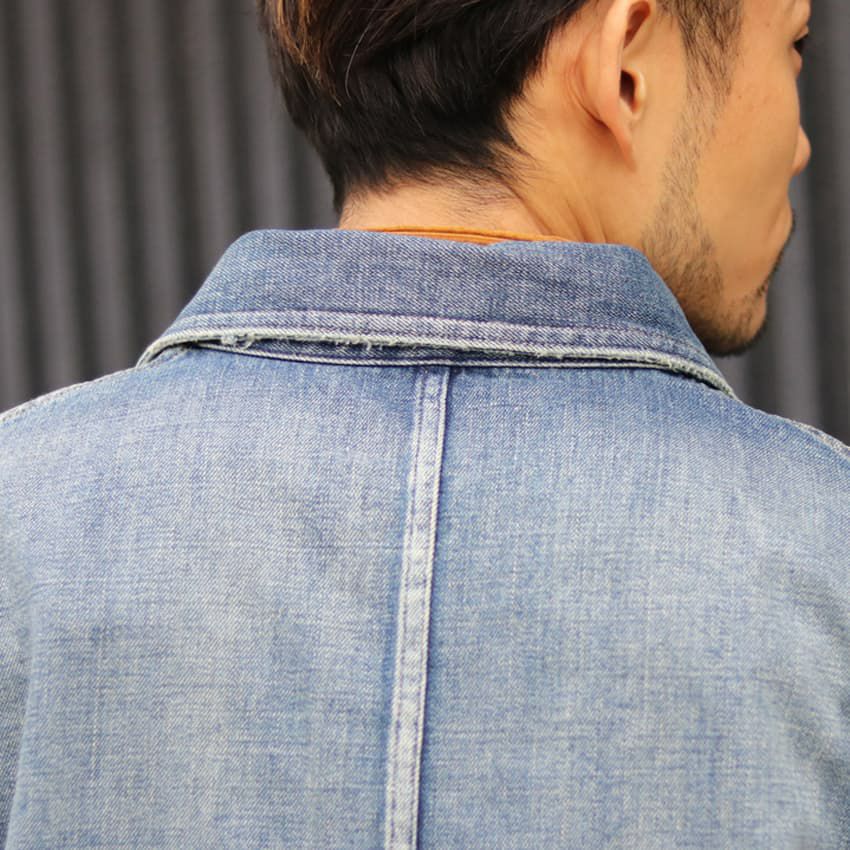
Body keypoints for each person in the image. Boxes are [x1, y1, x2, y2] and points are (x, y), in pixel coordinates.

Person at [0, 0, 845, 846]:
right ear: (625, 65)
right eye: (794, 45)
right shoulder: (825, 548)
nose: (802, 145)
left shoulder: (23, 516)